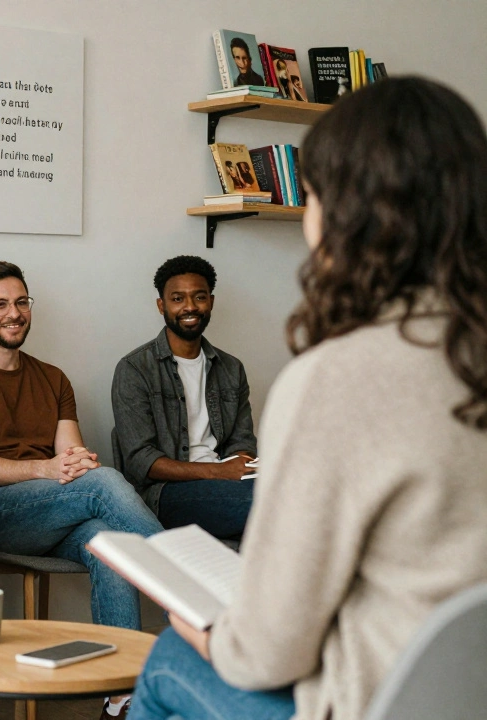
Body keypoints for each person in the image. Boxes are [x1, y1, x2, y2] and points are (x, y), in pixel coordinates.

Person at [130, 77, 487, 720]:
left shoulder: (334, 377)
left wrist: (212, 633)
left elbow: (266, 657)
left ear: (339, 215)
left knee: (170, 658)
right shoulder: (139, 368)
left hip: (377, 702)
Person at [0, 261, 164, 720]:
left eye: (20, 302)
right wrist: (49, 468)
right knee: (104, 483)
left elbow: (71, 459)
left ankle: (123, 701)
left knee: (108, 545)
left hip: (54, 512)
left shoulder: (53, 378)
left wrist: (73, 464)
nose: (13, 313)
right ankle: (192, 587)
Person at [111, 255, 256, 541]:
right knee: (274, 507)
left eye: (199, 297)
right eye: (178, 298)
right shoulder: (134, 369)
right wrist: (220, 473)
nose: (190, 307)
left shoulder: (231, 369)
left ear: (211, 302)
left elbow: (242, 444)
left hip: (228, 487)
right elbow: (142, 462)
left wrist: (241, 468)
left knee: (301, 493)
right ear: (161, 306)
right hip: (165, 495)